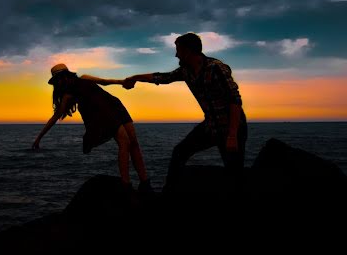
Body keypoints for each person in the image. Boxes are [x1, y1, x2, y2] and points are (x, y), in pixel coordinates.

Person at [123, 32, 247, 191]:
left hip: (232, 128)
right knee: (179, 152)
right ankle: (169, 195)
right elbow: (163, 77)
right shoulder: (185, 71)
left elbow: (234, 100)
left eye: (178, 50)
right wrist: (135, 77)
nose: (176, 55)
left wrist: (232, 135)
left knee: (234, 174)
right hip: (210, 127)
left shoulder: (216, 68)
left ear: (188, 51)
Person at [33, 64, 152, 195]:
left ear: (67, 76)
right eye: (58, 81)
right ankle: (126, 185)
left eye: (61, 78)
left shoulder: (84, 78)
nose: (60, 82)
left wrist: (122, 82)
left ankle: (145, 182)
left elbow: (104, 82)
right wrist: (39, 137)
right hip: (102, 113)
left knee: (134, 143)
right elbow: (55, 117)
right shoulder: (68, 95)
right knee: (125, 142)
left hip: (114, 105)